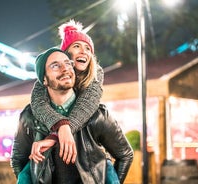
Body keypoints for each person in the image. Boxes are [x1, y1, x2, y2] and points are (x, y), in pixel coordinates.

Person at [10, 47, 133, 183]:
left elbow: (125, 155)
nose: (65, 69)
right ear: (44, 80)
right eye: (55, 65)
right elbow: (18, 161)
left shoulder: (97, 115)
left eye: (68, 63)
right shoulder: (29, 117)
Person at [30, 20, 103, 163]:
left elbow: (87, 103)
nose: (83, 51)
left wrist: (62, 130)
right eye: (77, 46)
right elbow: (38, 101)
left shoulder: (96, 74)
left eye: (88, 48)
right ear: (66, 53)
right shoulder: (50, 72)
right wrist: (59, 124)